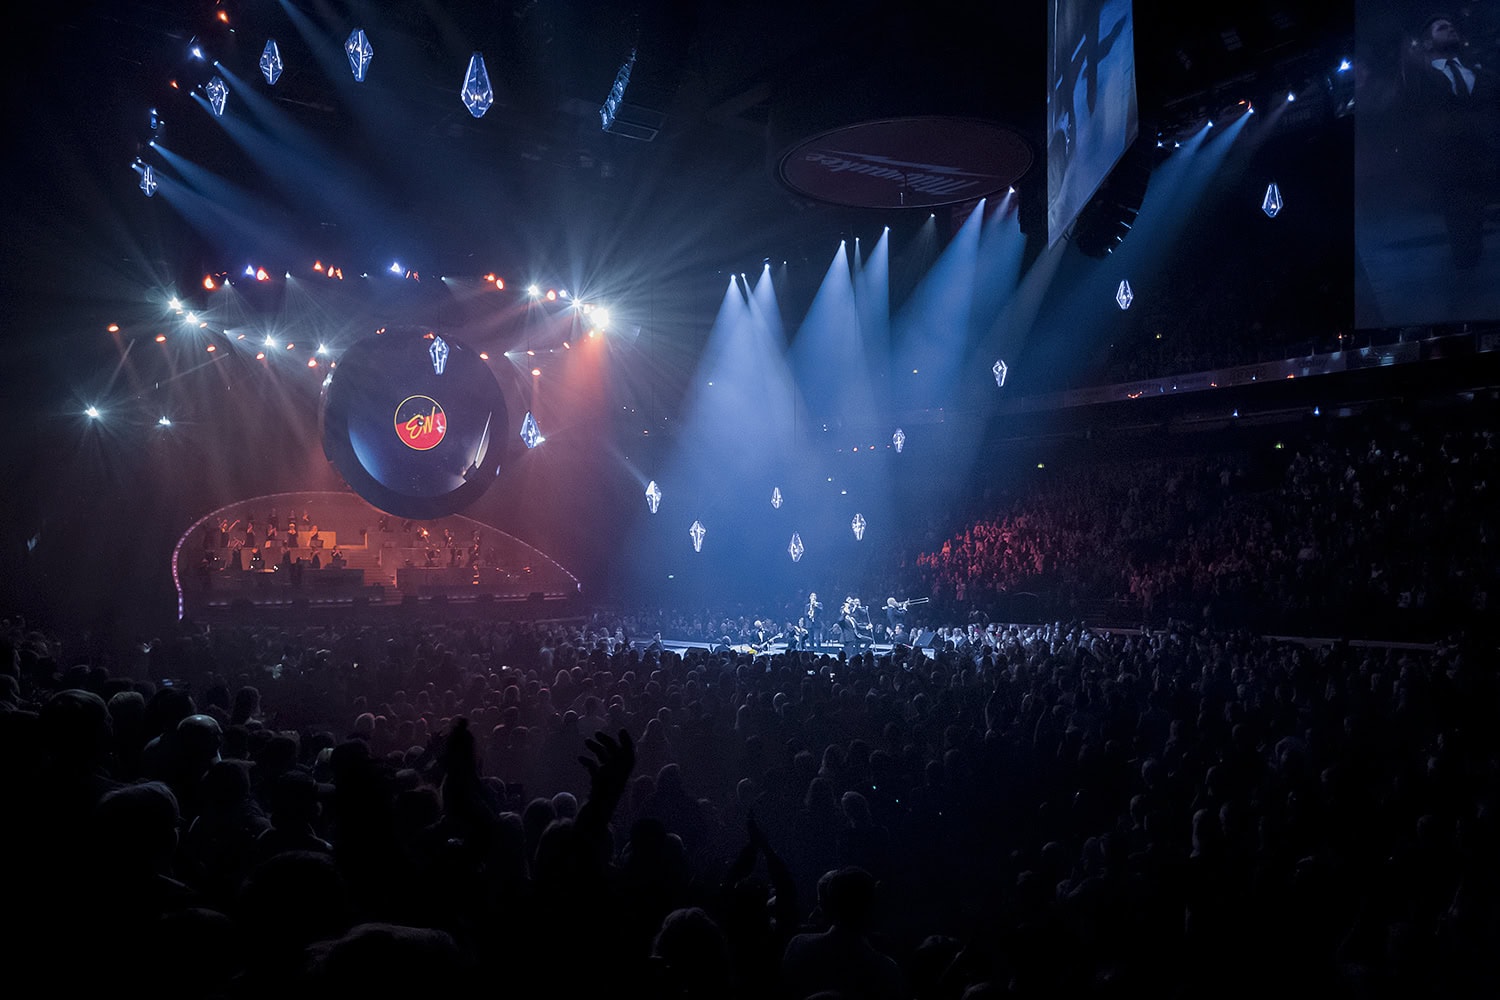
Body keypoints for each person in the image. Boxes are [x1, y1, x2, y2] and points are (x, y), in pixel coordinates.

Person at [1407, 14, 1500, 268]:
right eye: (1441, 27)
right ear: (1427, 43)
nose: (1450, 28)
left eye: (1451, 25)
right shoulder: (1420, 81)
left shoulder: (1484, 76)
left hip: (1489, 165)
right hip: (1453, 173)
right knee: (1467, 246)